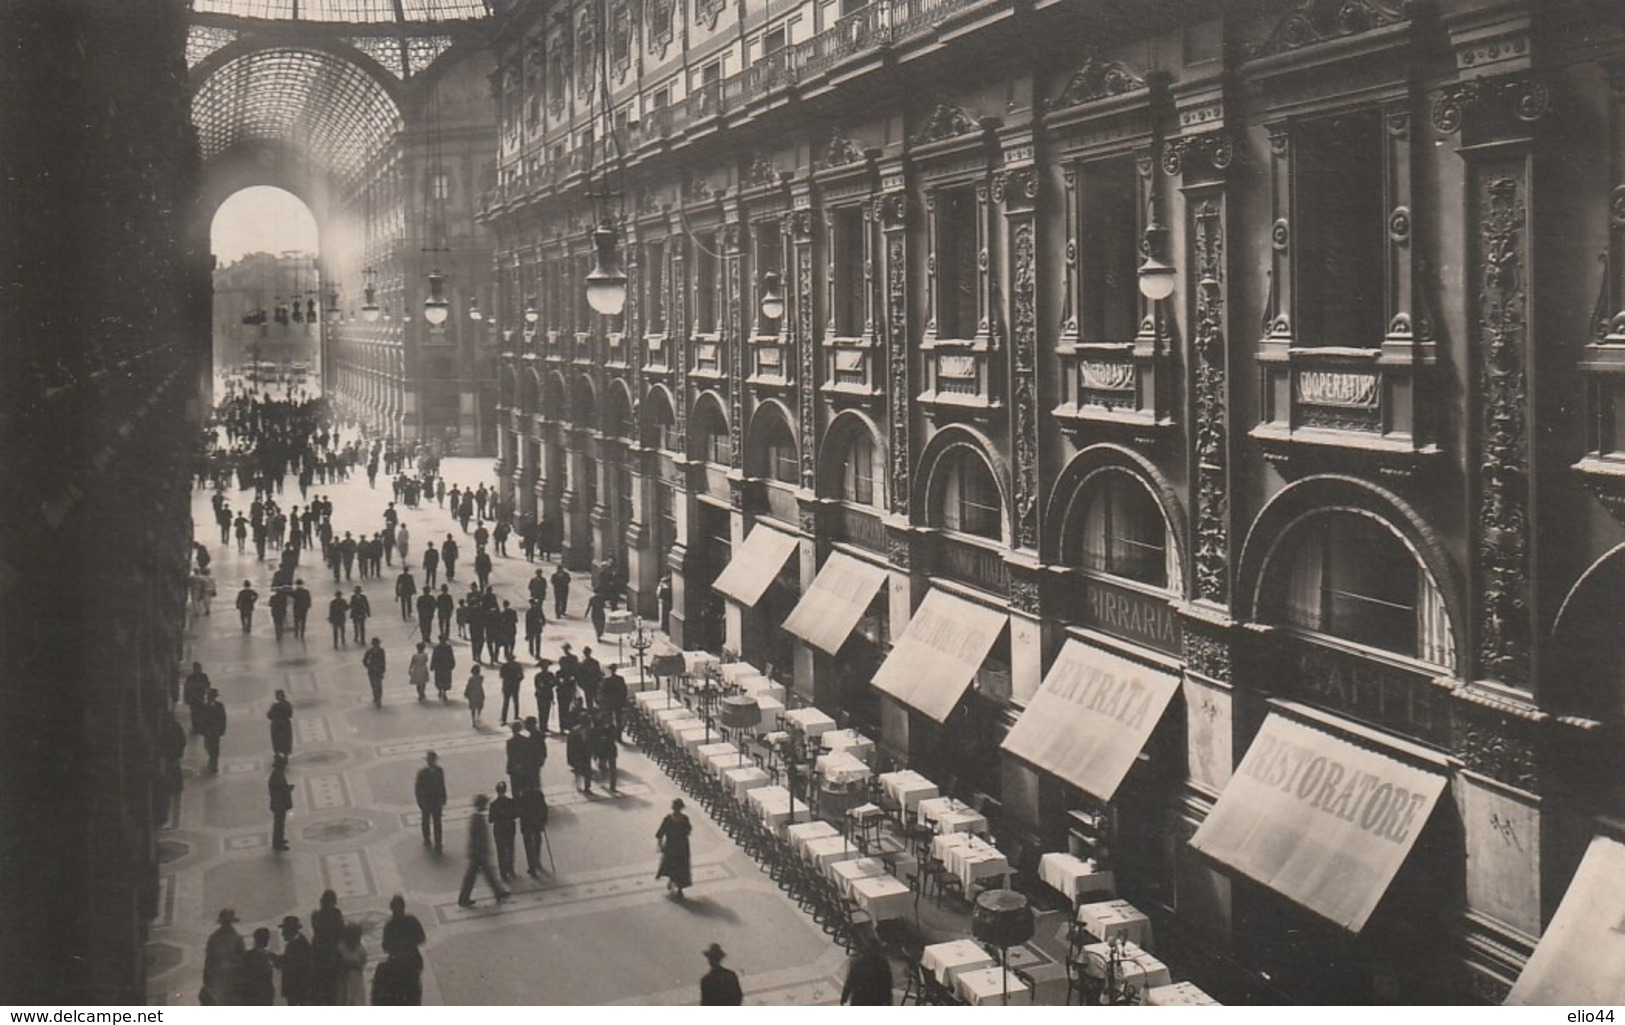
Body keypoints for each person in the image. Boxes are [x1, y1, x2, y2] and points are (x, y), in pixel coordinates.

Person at [457, 794, 509, 907]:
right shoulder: (477, 819)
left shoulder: (476, 817)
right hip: (478, 852)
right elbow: (478, 837)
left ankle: (498, 892)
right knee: (475, 876)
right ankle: (464, 898)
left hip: (477, 852)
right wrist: (481, 850)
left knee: (485, 874)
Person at [378, 895, 426, 1006]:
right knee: (413, 994)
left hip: (397, 964)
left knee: (398, 995)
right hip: (412, 962)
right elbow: (422, 938)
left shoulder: (390, 925)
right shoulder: (411, 921)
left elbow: (385, 947)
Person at [201, 908, 244, 1005]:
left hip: (221, 978)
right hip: (229, 978)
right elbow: (242, 959)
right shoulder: (237, 938)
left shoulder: (214, 938)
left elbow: (209, 960)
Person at [840, 929, 894, 1005]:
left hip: (860, 997)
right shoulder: (883, 964)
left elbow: (850, 981)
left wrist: (844, 996)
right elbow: (887, 985)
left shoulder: (858, 963)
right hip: (876, 998)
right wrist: (889, 1001)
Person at [656, 798, 693, 898]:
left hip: (671, 845)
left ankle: (672, 880)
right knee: (681, 867)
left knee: (671, 863)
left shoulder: (668, 819)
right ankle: (680, 888)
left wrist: (660, 845)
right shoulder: (685, 819)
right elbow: (688, 831)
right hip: (682, 846)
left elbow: (660, 833)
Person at [274, 916, 315, 1006]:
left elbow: (295, 966)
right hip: (296, 990)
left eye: (285, 930)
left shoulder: (301, 945)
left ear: (291, 930)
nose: (283, 933)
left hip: (299, 989)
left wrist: (278, 961)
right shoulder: (294, 944)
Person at [415, 751, 447, 852]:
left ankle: (438, 842)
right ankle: (427, 838)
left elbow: (442, 785)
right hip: (427, 801)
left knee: (438, 822)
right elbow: (418, 789)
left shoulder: (439, 771)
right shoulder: (422, 773)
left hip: (437, 801)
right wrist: (420, 801)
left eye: (433, 760)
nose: (432, 762)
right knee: (426, 820)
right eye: (430, 760)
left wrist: (443, 797)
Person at [516, 784, 548, 878]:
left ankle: (532, 865)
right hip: (537, 824)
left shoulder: (523, 796)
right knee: (537, 843)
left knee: (528, 846)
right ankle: (536, 860)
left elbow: (519, 811)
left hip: (527, 824)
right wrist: (544, 821)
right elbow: (544, 809)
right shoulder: (538, 794)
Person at [488, 781, 518, 881]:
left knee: (501, 851)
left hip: (499, 830)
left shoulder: (493, 805)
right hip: (509, 828)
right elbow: (516, 814)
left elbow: (490, 819)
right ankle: (510, 869)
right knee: (510, 849)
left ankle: (503, 872)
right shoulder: (511, 802)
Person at [239, 927, 276, 1005]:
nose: (266, 940)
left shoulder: (248, 955)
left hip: (258, 996)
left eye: (266, 938)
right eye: (264, 938)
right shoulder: (265, 956)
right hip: (258, 996)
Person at [334, 923, 367, 1005]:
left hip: (355, 978)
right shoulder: (341, 948)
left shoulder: (360, 946)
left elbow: (363, 960)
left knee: (356, 999)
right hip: (345, 978)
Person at [268, 753, 294, 851]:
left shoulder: (277, 774)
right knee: (279, 824)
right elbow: (280, 790)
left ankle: (279, 840)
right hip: (279, 804)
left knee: (280, 823)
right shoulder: (277, 776)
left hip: (279, 803)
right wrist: (288, 789)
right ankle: (277, 843)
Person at [199, 688, 227, 774]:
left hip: (212, 731)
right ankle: (213, 762)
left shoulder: (215, 706)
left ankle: (213, 764)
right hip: (211, 731)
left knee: (213, 748)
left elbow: (223, 718)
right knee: (210, 747)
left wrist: (222, 729)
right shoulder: (215, 706)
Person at [592, 712, 619, 794]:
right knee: (602, 767)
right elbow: (595, 739)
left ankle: (612, 785)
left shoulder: (612, 727)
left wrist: (605, 739)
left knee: (612, 769)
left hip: (610, 750)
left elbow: (614, 737)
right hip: (602, 751)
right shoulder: (597, 728)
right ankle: (603, 783)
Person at [601, 664, 629, 741]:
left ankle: (611, 735)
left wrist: (604, 702)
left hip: (610, 703)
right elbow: (624, 690)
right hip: (618, 702)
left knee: (610, 719)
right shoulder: (620, 679)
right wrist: (623, 700)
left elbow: (603, 692)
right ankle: (619, 736)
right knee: (618, 719)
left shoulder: (607, 680)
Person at [566, 720, 594, 795]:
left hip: (586, 753)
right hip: (578, 753)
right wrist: (570, 757)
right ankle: (578, 785)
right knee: (578, 770)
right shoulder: (575, 731)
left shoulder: (590, 730)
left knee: (588, 770)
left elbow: (592, 742)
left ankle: (587, 787)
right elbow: (570, 745)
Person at [183, 661, 210, 736]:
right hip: (193, 698)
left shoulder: (203, 676)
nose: (198, 670)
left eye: (199, 668)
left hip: (200, 697)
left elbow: (207, 685)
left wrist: (207, 692)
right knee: (194, 712)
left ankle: (199, 725)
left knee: (200, 711)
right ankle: (195, 726)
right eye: (196, 668)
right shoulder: (190, 678)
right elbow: (186, 688)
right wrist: (186, 698)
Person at [498, 654, 525, 726]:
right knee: (515, 701)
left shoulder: (504, 666)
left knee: (506, 703)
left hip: (507, 686)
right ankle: (515, 715)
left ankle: (505, 718)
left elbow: (501, 676)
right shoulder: (518, 666)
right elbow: (522, 676)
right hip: (514, 686)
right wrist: (517, 680)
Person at [267, 689, 293, 759]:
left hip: (276, 725)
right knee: (286, 739)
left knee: (277, 739)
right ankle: (286, 753)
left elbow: (269, 715)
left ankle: (277, 753)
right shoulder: (287, 704)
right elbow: (290, 714)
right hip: (285, 724)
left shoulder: (275, 706)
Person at [533, 660, 556, 736]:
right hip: (541, 695)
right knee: (541, 711)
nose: (545, 668)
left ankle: (545, 725)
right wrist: (545, 685)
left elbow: (554, 683)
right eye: (543, 666)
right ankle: (541, 726)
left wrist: (550, 684)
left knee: (547, 711)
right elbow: (537, 685)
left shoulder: (551, 674)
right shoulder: (538, 676)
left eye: (546, 666)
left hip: (548, 695)